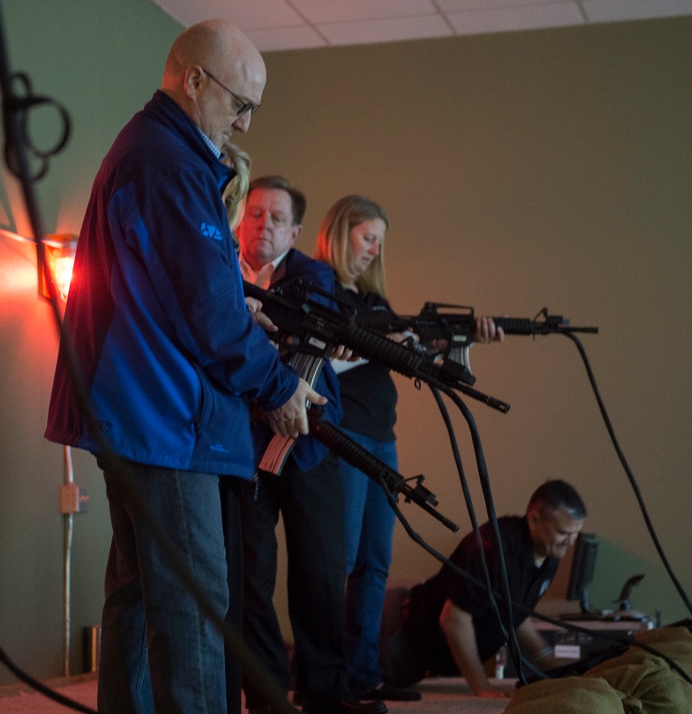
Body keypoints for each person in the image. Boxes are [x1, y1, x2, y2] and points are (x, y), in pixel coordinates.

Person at [44, 21, 325, 714]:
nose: (246, 120)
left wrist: (239, 313)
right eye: (239, 102)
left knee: (139, 596)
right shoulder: (170, 161)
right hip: (166, 421)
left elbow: (177, 288)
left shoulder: (156, 151)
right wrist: (276, 383)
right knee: (195, 602)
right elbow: (202, 306)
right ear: (194, 80)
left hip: (140, 415)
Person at [313, 194, 503, 702]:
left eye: (379, 240)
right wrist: (390, 343)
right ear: (339, 232)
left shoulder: (374, 301)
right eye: (367, 236)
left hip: (381, 434)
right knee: (345, 557)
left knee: (375, 560)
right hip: (343, 430)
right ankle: (330, 679)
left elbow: (416, 357)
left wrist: (456, 345)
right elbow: (321, 360)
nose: (375, 249)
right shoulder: (321, 286)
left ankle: (364, 673)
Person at [235, 176, 383, 714]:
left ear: (295, 231)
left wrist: (249, 327)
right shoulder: (221, 270)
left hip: (308, 444)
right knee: (251, 577)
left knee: (320, 571)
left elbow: (306, 330)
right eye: (255, 214)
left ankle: (324, 691)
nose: (263, 225)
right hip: (244, 450)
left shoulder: (314, 275)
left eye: (276, 218)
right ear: (239, 220)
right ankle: (269, 696)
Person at [379, 479, 587, 696]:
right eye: (564, 533)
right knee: (353, 694)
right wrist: (482, 687)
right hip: (395, 633)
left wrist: (557, 667)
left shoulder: (549, 557)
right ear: (534, 520)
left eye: (575, 534)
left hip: (419, 657)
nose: (570, 542)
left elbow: (515, 617)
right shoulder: (492, 549)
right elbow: (453, 620)